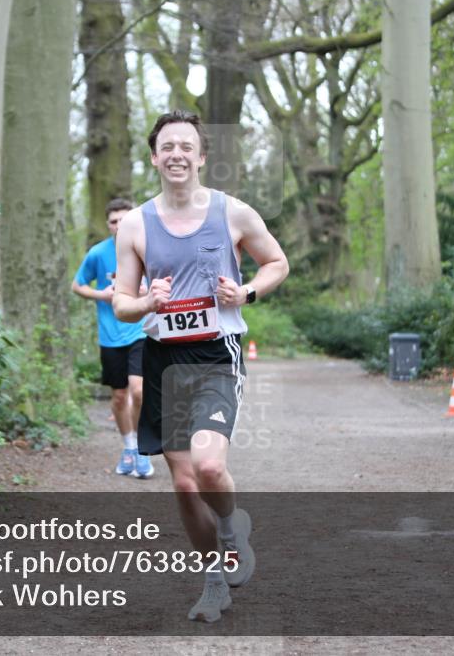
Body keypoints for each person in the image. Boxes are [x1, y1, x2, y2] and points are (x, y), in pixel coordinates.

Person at [112, 110, 289, 622]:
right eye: (167, 146)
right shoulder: (136, 225)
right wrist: (146, 304)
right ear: (154, 156)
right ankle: (214, 581)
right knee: (185, 483)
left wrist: (248, 291)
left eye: (186, 146)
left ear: (201, 156)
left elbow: (277, 262)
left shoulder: (233, 212)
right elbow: (121, 300)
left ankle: (234, 532)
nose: (177, 155)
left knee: (210, 467)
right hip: (164, 359)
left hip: (216, 353)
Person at [72, 198, 154, 479]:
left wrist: (148, 292)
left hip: (140, 331)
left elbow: (167, 282)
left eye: (124, 219)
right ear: (107, 225)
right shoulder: (98, 253)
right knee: (119, 397)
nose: (119, 225)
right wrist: (101, 295)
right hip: (110, 334)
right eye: (113, 221)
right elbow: (77, 285)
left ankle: (143, 450)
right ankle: (129, 447)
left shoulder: (147, 248)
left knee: (139, 391)